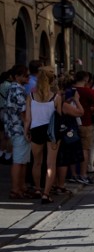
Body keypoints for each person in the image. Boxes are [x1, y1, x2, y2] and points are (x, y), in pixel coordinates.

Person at [26, 66, 62, 204]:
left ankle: (37, 188)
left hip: (36, 130)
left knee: (37, 162)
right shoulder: (56, 97)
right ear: (52, 81)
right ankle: (46, 194)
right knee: (50, 164)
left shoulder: (31, 96)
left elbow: (28, 118)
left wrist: (26, 131)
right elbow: (59, 116)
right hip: (52, 131)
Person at [3, 64, 32, 198]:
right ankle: (16, 189)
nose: (28, 77)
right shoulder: (18, 90)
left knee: (22, 160)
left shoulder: (12, 88)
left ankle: (21, 187)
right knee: (19, 160)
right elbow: (23, 111)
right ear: (17, 76)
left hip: (14, 128)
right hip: (19, 129)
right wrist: (27, 128)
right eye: (25, 75)